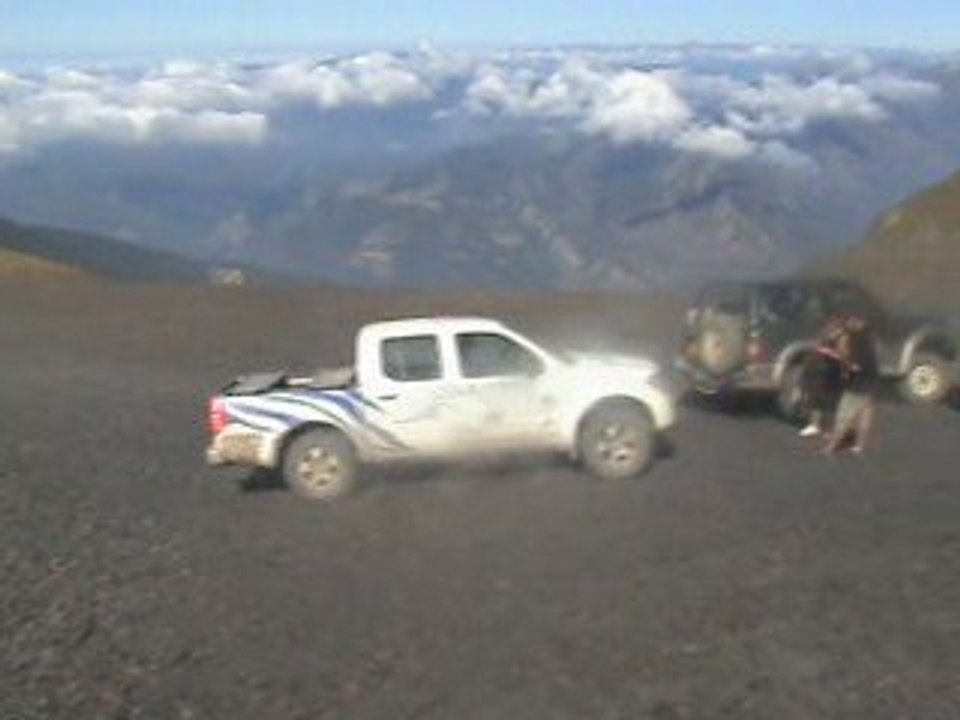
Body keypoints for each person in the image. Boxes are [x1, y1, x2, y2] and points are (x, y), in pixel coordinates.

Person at [825, 314, 879, 454]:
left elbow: (854, 366)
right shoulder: (869, 338)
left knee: (843, 416)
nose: (848, 324)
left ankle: (831, 447)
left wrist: (838, 357)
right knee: (863, 416)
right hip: (871, 384)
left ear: (858, 322)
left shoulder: (856, 341)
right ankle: (858, 446)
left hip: (857, 386)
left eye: (851, 321)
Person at [798, 316, 845, 437]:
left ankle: (829, 429)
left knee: (830, 402)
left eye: (833, 326)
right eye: (829, 326)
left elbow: (844, 356)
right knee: (815, 399)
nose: (830, 328)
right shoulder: (825, 336)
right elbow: (817, 348)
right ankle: (814, 426)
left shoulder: (843, 338)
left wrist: (828, 352)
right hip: (818, 369)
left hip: (831, 371)